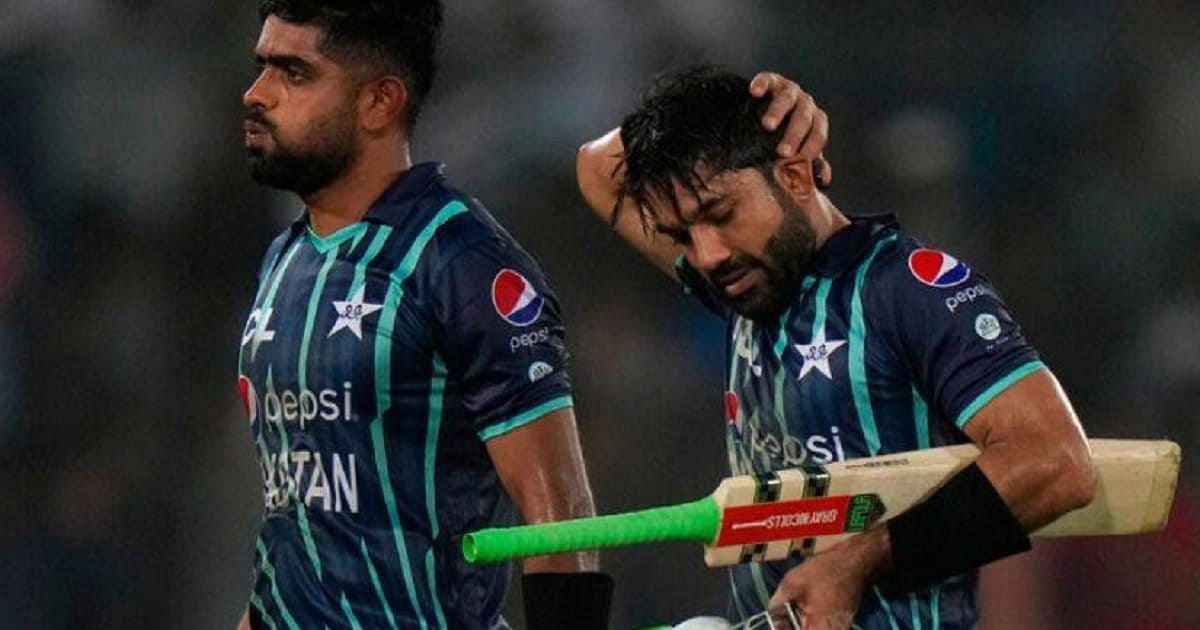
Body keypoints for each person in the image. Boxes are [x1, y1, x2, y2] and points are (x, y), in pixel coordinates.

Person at [577, 66, 1096, 630]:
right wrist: (759, 103)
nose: (706, 256)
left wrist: (860, 561)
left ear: (795, 174)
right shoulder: (742, 288)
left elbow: (1058, 462)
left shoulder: (906, 289)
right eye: (682, 235)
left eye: (721, 215)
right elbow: (596, 167)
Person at [234, 2, 613, 628]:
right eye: (262, 67)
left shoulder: (463, 262)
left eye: (293, 73)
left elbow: (560, 515)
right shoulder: (285, 258)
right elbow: (296, 526)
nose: (256, 93)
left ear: (379, 102)